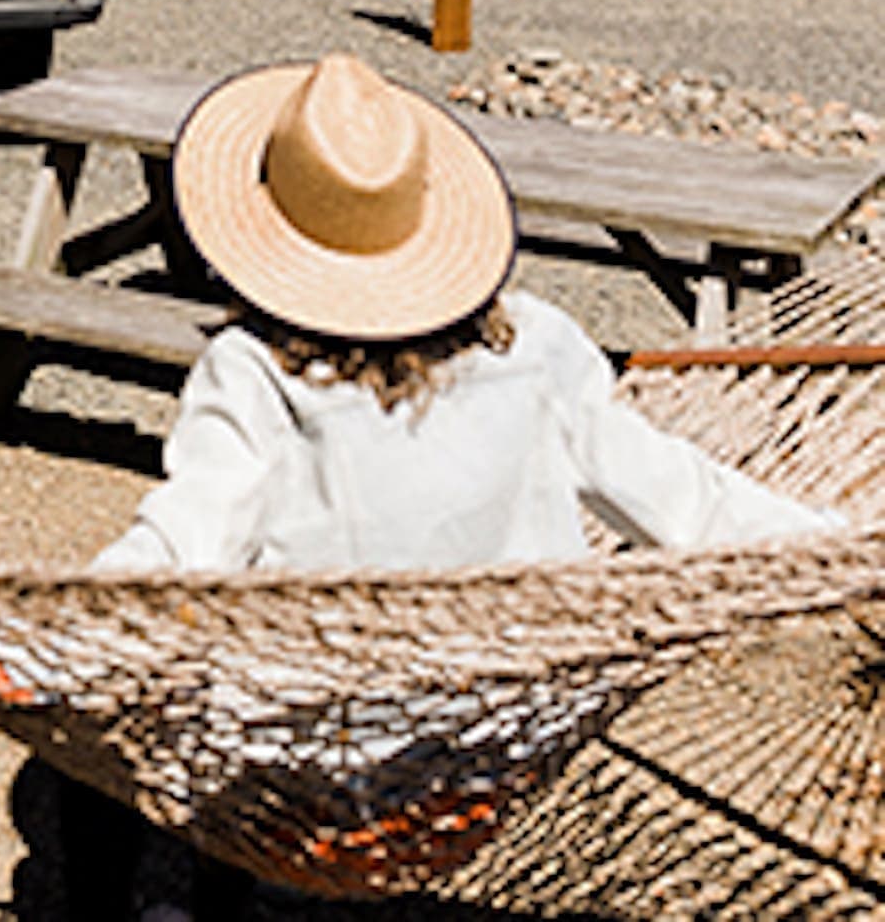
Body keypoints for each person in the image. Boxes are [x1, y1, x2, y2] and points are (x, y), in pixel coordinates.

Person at [91, 50, 835, 580]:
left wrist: (63, 629)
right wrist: (836, 548)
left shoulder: (255, 373)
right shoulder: (538, 347)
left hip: (332, 735)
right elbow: (677, 494)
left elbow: (192, 531)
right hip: (519, 718)